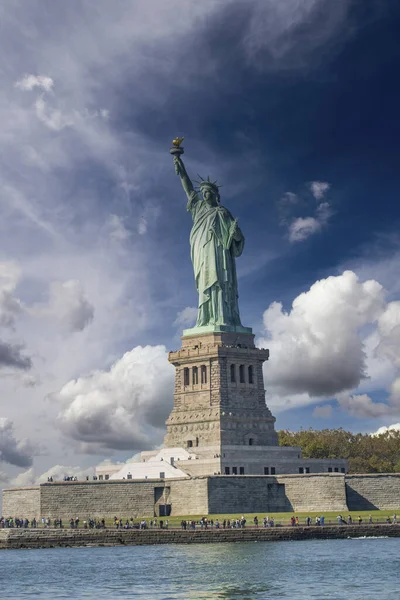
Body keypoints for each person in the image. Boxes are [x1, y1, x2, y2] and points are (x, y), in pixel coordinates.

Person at [173, 154, 245, 328]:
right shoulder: (197, 208)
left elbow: (238, 239)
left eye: (207, 192)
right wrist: (180, 165)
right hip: (203, 251)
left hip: (220, 253)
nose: (204, 195)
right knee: (206, 282)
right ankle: (206, 318)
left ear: (214, 194)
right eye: (203, 192)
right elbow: (188, 188)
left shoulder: (223, 212)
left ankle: (223, 318)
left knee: (220, 281)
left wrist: (235, 235)